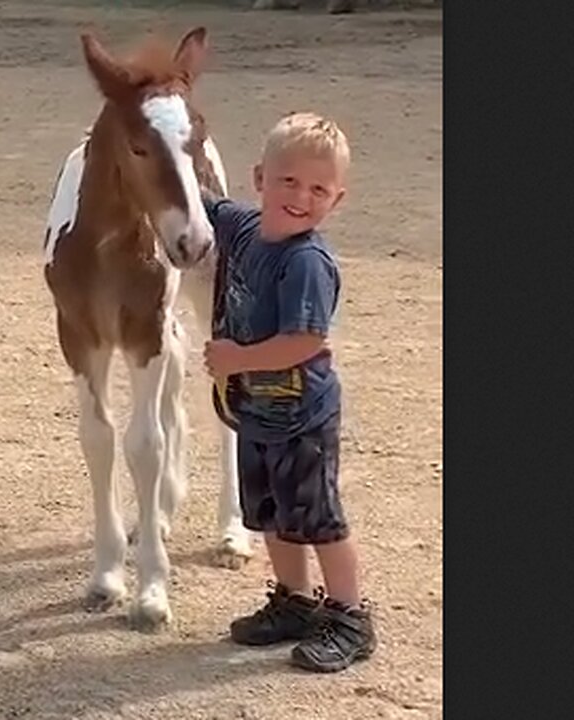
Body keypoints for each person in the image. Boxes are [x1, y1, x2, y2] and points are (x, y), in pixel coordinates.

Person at [202, 111, 375, 673]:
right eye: (288, 181)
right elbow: (199, 203)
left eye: (318, 189)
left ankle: (350, 615)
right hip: (257, 412)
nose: (301, 197)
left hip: (302, 415)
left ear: (337, 199)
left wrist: (237, 358)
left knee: (319, 518)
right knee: (274, 515)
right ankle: (295, 600)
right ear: (259, 178)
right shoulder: (246, 230)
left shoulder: (306, 263)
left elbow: (303, 340)